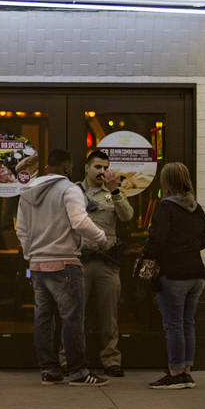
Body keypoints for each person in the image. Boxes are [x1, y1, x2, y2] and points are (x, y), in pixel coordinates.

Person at [16, 149, 109, 387]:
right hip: (65, 263)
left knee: (43, 318)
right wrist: (101, 238)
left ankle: (49, 370)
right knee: (72, 318)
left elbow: (22, 230)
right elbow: (79, 221)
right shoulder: (70, 189)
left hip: (37, 264)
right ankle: (78, 372)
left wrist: (31, 254)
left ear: (48, 166)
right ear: (68, 167)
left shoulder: (27, 192)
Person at [142, 162, 205, 390]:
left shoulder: (166, 208)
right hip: (197, 274)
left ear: (166, 182)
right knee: (187, 323)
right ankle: (187, 371)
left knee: (173, 324)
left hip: (172, 273)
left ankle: (175, 372)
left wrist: (147, 257)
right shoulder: (196, 207)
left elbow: (157, 240)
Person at [74, 149, 134, 377]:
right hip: (79, 260)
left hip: (107, 262)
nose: (102, 171)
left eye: (105, 168)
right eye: (97, 167)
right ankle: (70, 358)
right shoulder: (74, 192)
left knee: (109, 314)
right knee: (75, 314)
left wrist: (115, 191)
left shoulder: (111, 193)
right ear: (87, 168)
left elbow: (127, 216)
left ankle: (111, 359)